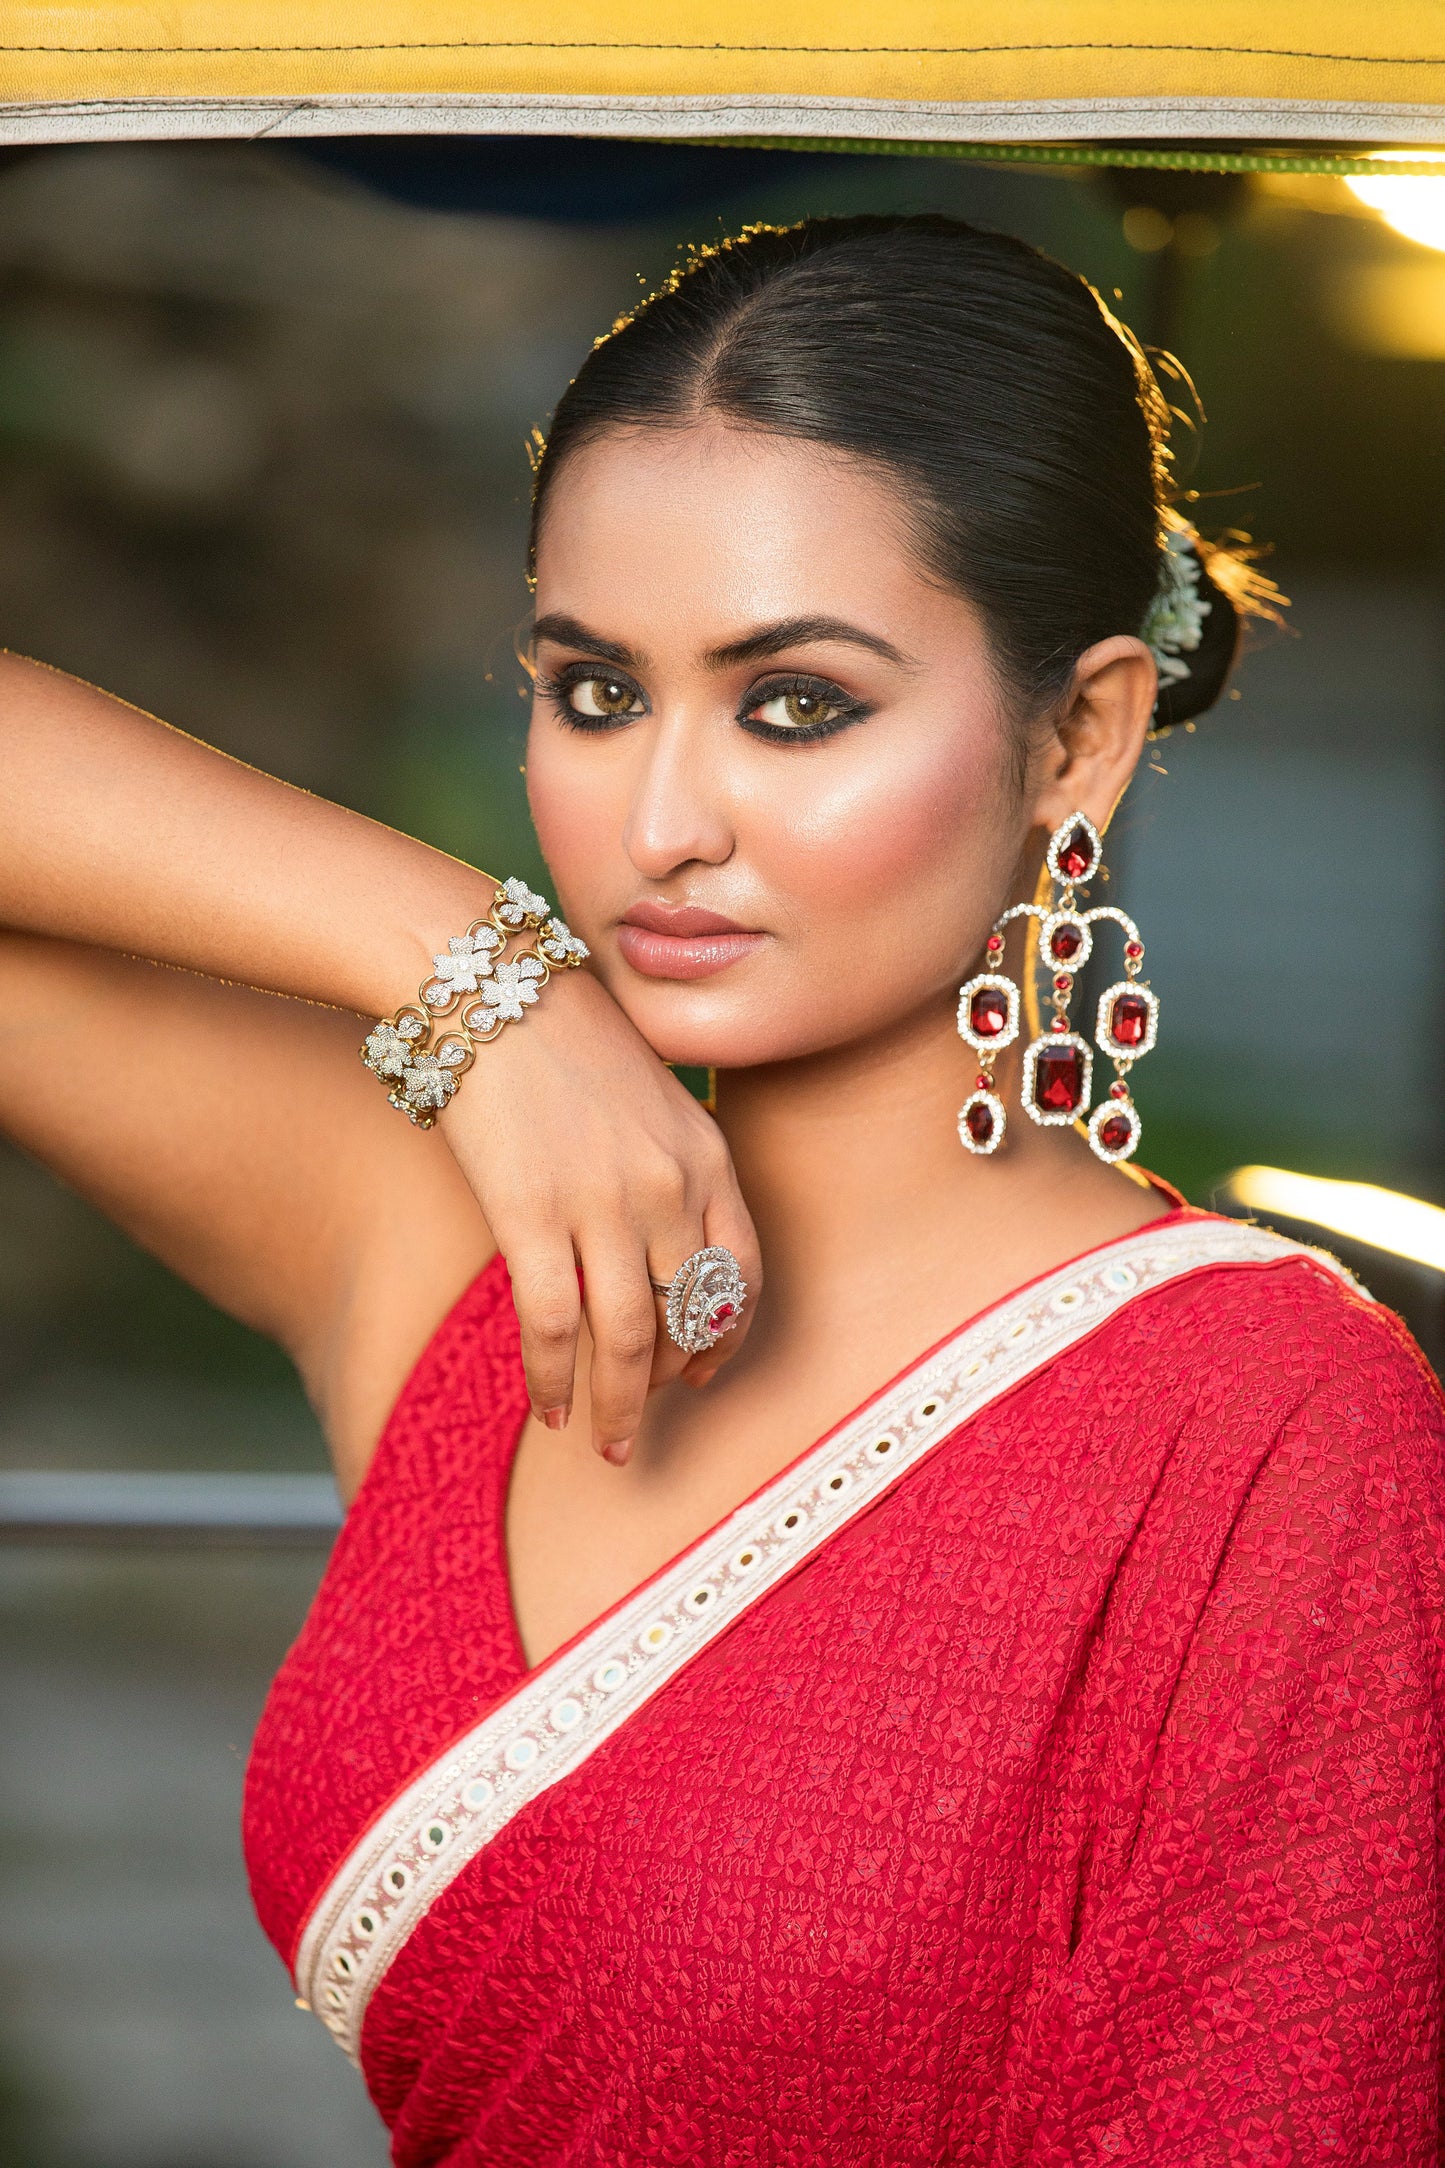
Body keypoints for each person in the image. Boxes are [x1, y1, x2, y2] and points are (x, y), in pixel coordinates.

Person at [1, 214, 1441, 2164]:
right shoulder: (442, 1240)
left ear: (1076, 733)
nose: (662, 824)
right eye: (592, 691)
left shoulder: (1275, 1432)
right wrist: (463, 965)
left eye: (795, 703)